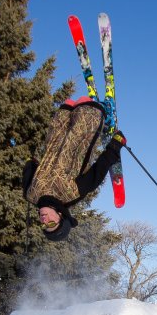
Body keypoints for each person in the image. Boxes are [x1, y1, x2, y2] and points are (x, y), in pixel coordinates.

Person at [22, 96, 125, 241]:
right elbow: (98, 171)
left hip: (59, 125)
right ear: (60, 216)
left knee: (69, 102)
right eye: (51, 223)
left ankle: (95, 106)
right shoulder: (72, 194)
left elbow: (30, 166)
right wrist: (115, 145)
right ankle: (102, 109)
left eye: (44, 226)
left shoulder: (30, 194)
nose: (45, 221)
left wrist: (29, 162)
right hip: (84, 124)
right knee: (86, 101)